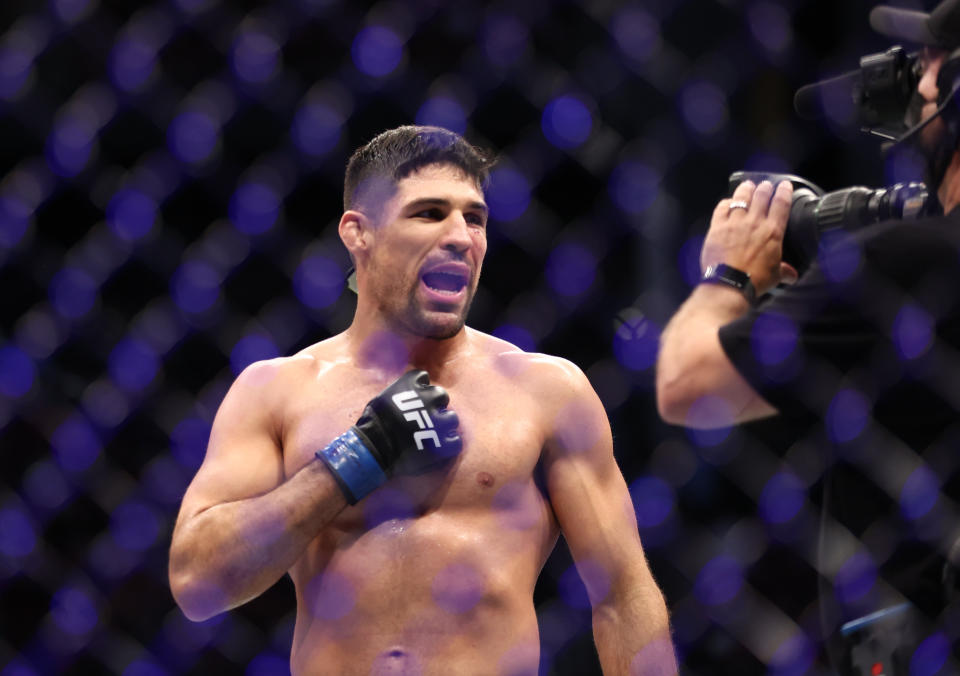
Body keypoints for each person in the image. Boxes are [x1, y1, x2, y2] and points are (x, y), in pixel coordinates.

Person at [169, 125, 676, 675]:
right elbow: (198, 584)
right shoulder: (278, 390)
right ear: (358, 233)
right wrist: (355, 460)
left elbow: (623, 597)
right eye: (429, 213)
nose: (461, 236)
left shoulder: (546, 392)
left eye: (475, 218)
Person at [656, 0, 960, 667]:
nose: (915, 89)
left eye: (930, 71)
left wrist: (728, 272)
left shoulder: (907, 259)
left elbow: (689, 384)